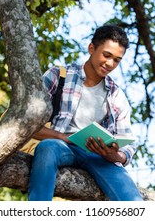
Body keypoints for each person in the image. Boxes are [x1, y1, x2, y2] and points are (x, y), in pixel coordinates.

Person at [28, 25, 143, 201]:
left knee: (133, 201)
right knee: (47, 148)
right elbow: (28, 123)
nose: (110, 64)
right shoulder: (58, 76)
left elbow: (128, 143)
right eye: (107, 55)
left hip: (99, 156)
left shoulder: (116, 94)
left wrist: (114, 155)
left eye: (117, 60)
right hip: (62, 146)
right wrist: (64, 137)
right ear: (91, 48)